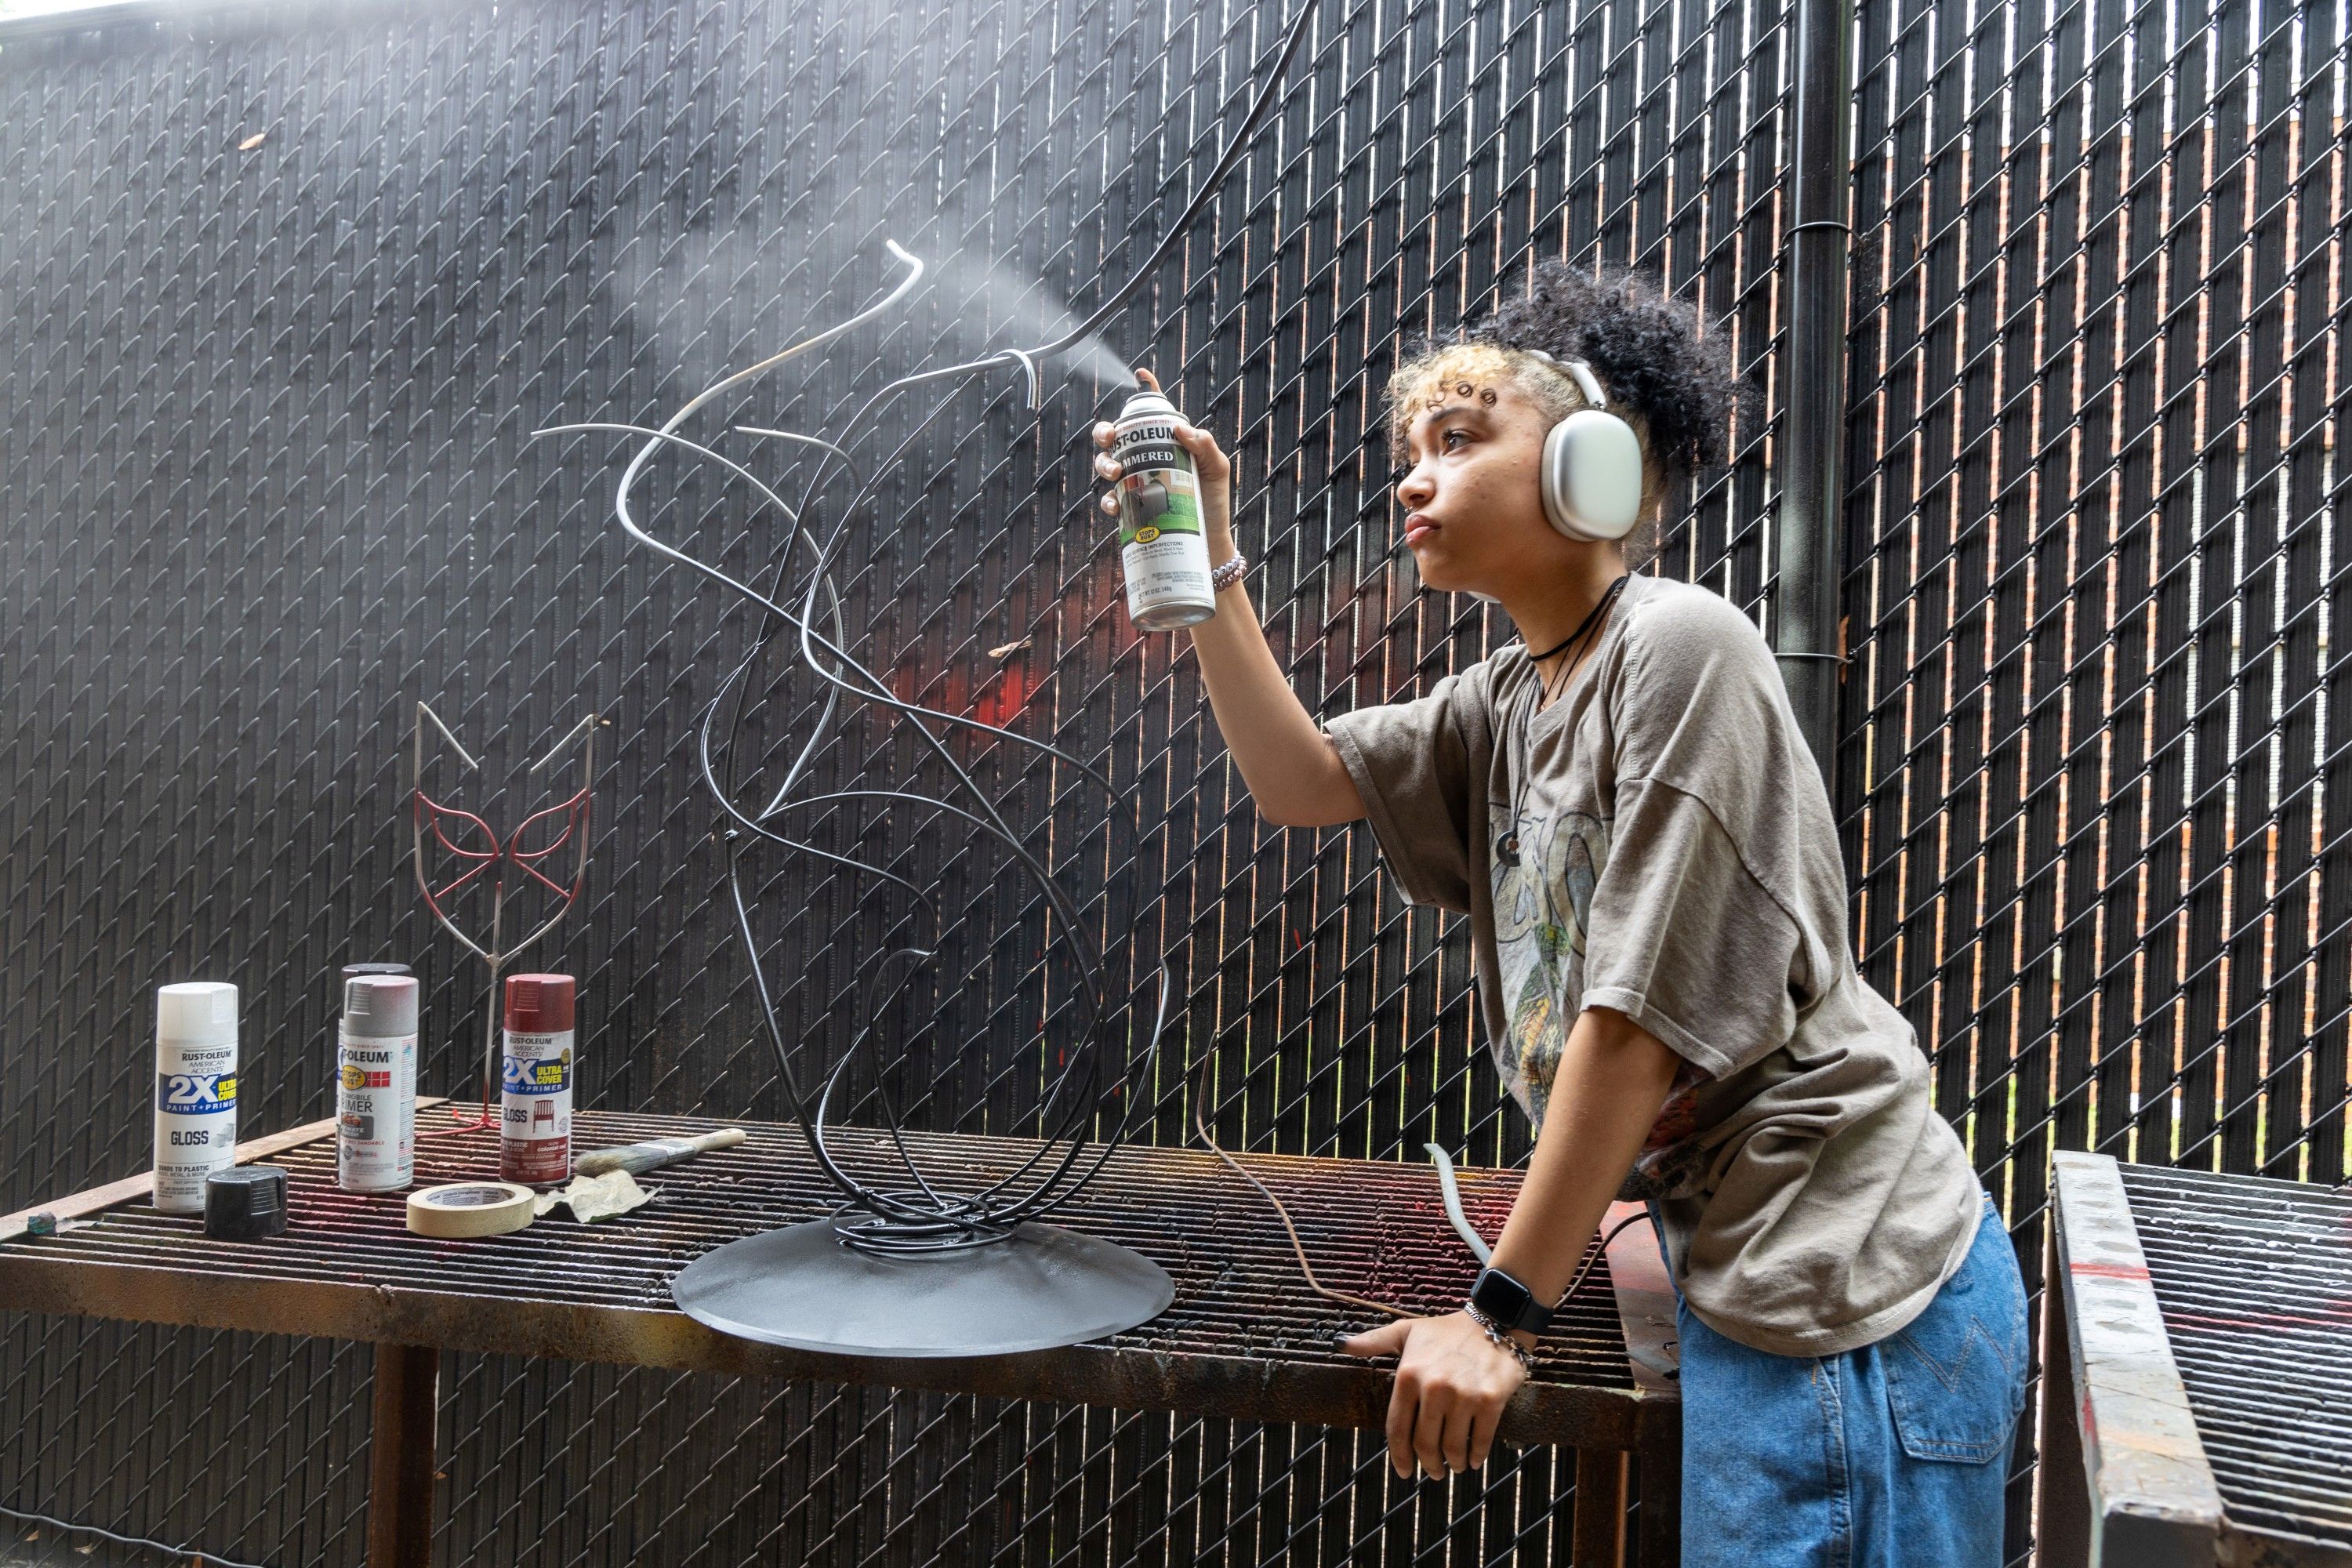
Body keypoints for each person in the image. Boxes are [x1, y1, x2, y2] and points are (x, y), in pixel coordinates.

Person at [1091, 261, 2030, 1567]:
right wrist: (1211, 555)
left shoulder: (1684, 647)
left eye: (1461, 440)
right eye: (1411, 450)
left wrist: (1496, 1316)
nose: (1414, 478)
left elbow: (1636, 1023)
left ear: (1595, 470)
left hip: (1842, 1278)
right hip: (1742, 1253)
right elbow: (1304, 782)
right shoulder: (1508, 699)